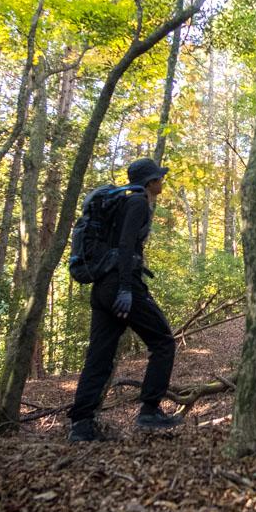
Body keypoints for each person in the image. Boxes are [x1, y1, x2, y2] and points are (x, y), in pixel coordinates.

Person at [69, 158, 183, 441]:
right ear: (149, 182)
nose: (162, 181)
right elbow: (125, 245)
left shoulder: (121, 202)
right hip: (121, 284)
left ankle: (81, 425)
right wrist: (125, 289)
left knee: (99, 358)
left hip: (102, 287)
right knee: (164, 342)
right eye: (159, 177)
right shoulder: (137, 203)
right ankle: (149, 409)